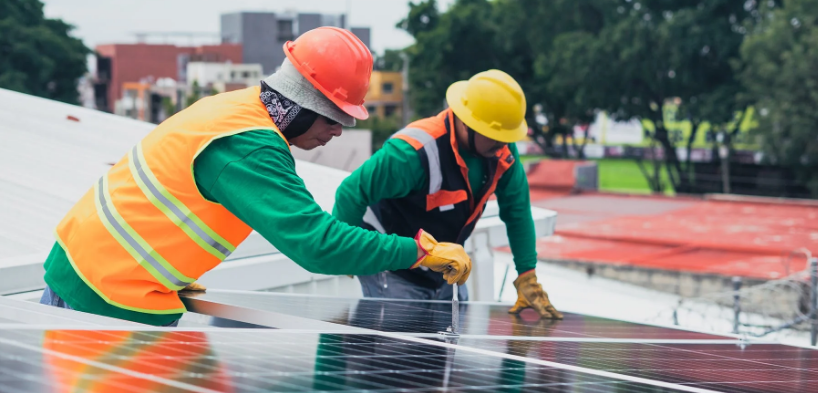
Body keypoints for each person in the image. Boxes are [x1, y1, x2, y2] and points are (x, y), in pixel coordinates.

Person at [39, 27, 472, 326]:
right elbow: (316, 246)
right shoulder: (249, 146)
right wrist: (418, 251)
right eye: (335, 117)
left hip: (97, 273)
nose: (339, 130)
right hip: (103, 294)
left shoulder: (237, 108)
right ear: (305, 102)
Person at [332, 69, 562, 319]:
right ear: (467, 123)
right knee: (401, 348)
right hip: (394, 268)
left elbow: (517, 212)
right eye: (496, 136)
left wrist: (527, 275)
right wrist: (347, 254)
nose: (503, 145)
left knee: (444, 349)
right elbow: (351, 192)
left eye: (507, 137)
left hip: (446, 268)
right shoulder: (412, 152)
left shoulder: (501, 153)